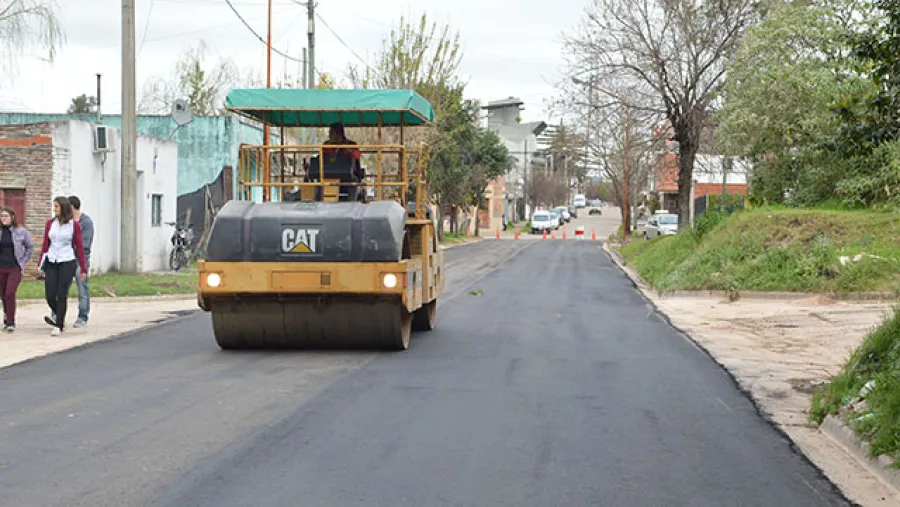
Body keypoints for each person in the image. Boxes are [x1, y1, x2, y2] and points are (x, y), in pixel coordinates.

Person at [38, 196, 87, 336]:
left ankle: (59, 324)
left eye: (56, 207)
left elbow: (79, 247)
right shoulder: (50, 224)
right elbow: (45, 245)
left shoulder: (74, 225)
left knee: (61, 294)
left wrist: (83, 268)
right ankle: (59, 315)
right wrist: (40, 264)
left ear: (64, 208)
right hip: (52, 261)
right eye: (54, 207)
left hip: (67, 261)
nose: (54, 210)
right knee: (50, 295)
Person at [50, 195, 93, 327]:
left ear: (72, 207)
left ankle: (82, 316)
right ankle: (57, 314)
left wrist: (69, 247)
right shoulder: (62, 221)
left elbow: (84, 244)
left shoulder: (86, 222)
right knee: (61, 288)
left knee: (82, 289)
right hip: (65, 260)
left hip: (80, 261)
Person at [0, 207, 34, 333]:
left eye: (6, 216)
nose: (3, 218)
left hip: (14, 267)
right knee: (3, 295)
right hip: (1, 267)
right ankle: (6, 315)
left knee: (10, 292)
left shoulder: (21, 231)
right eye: (2, 216)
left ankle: (11, 321)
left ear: (12, 217)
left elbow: (30, 246)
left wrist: (23, 262)